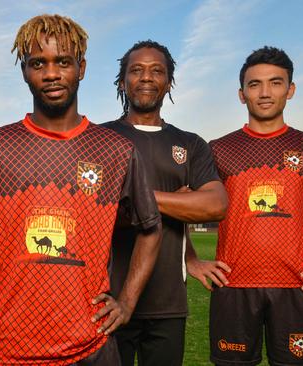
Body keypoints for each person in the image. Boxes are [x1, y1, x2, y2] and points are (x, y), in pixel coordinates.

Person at [0, 14, 163, 365]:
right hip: (9, 348)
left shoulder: (115, 150)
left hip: (92, 348)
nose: (51, 74)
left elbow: (150, 227)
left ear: (80, 68)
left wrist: (126, 302)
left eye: (62, 62)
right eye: (38, 63)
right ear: (24, 71)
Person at [209, 46, 303, 366]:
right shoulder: (218, 150)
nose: (265, 92)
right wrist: (193, 261)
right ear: (241, 94)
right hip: (233, 287)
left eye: (276, 83)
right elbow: (181, 206)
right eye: (255, 84)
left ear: (290, 90)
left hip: (296, 287)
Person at [103, 40, 229, 366]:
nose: (147, 77)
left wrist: (140, 197)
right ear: (122, 81)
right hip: (104, 298)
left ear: (169, 82)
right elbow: (96, 210)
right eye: (137, 70)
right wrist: (180, 201)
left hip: (168, 301)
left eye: (157, 70)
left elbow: (215, 205)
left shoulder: (190, 144)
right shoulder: (98, 139)